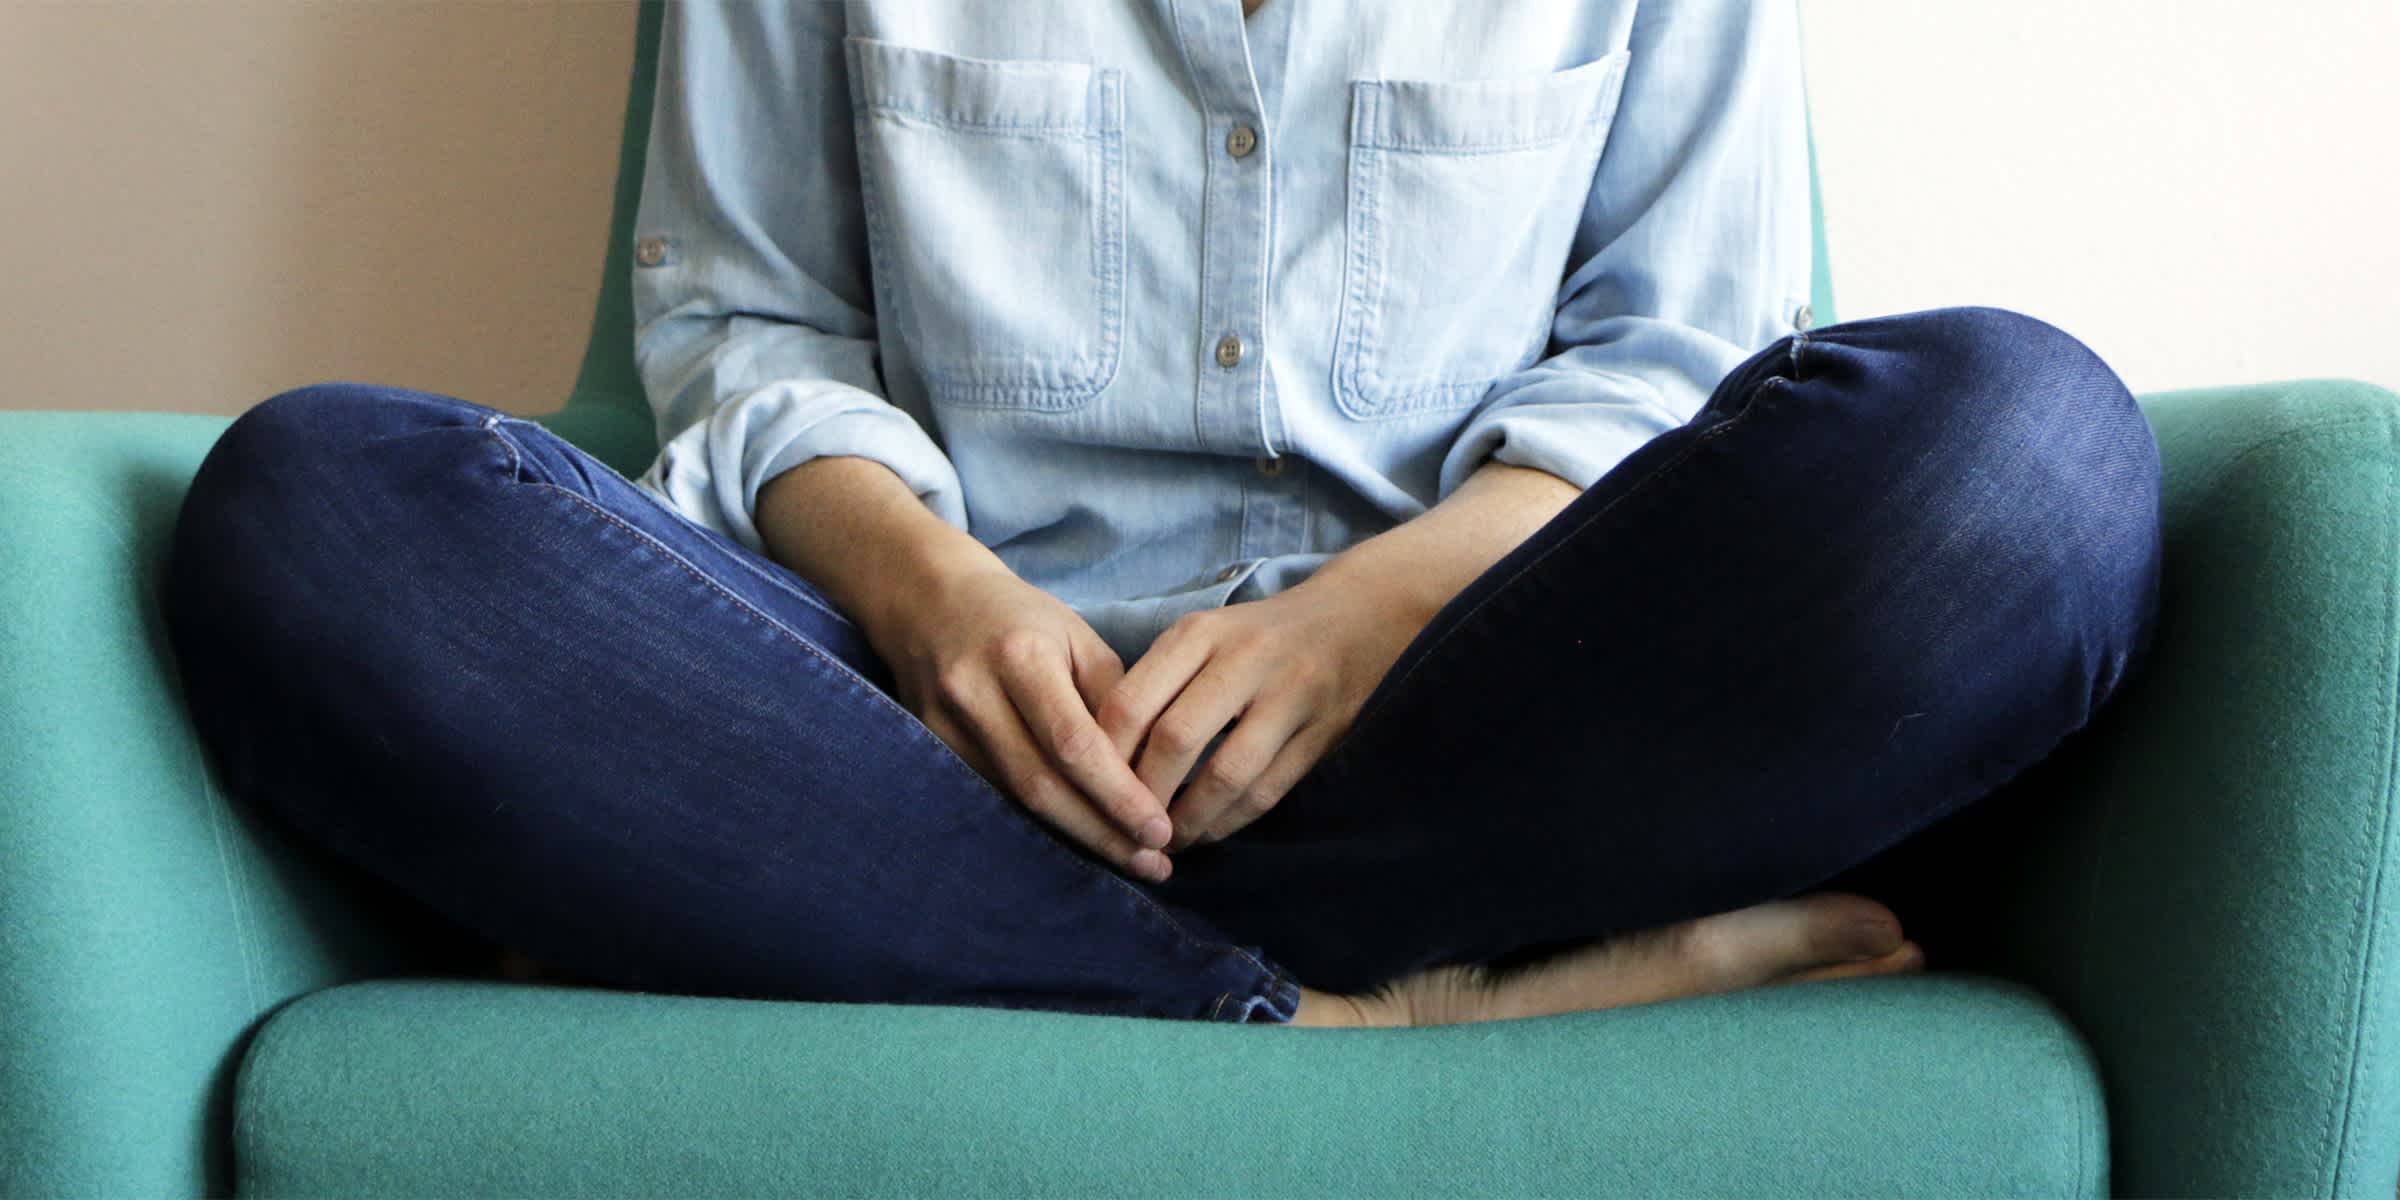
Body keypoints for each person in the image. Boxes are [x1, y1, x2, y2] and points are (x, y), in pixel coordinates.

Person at [160, 0, 2161, 1028]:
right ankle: (1338, 1008)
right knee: (317, 511)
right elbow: (746, 332)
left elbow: (1685, 352)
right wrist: (936, 598)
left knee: (2025, 455)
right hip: (914, 732)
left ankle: (916, 939)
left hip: (1475, 713)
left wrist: (1375, 614)